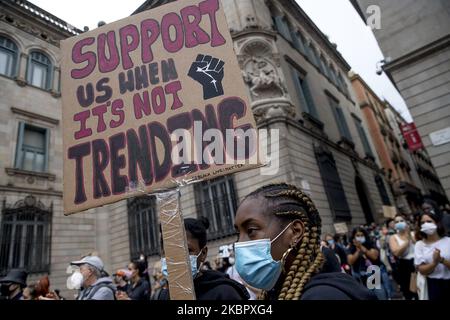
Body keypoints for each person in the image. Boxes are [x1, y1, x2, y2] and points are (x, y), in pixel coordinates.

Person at [234, 183, 376, 300]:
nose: (239, 243)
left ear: (295, 232)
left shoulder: (325, 296)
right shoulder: (276, 291)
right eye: (237, 233)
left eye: (251, 230)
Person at [160, 217, 249, 300]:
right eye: (169, 251)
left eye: (187, 250)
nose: (177, 259)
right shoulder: (164, 296)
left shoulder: (224, 294)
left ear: (203, 253)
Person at [414, 210, 450, 300]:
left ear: (437, 223)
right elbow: (421, 269)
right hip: (433, 285)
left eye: (429, 221)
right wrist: (434, 263)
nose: (426, 224)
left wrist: (442, 260)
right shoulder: (419, 245)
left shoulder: (448, 241)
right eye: (423, 223)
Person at [347, 227, 387, 299]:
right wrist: (358, 250)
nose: (360, 237)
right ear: (354, 237)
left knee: (379, 294)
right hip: (361, 277)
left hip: (374, 275)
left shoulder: (370, 244)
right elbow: (350, 261)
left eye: (362, 235)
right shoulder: (351, 248)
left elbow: (374, 256)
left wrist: (361, 247)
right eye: (357, 235)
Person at [388, 214, 417, 299]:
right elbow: (397, 252)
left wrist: (410, 235)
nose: (399, 223)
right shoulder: (393, 237)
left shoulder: (413, 233)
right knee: (409, 291)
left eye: (401, 221)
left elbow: (419, 245)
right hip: (405, 266)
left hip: (418, 263)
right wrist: (407, 239)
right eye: (397, 222)